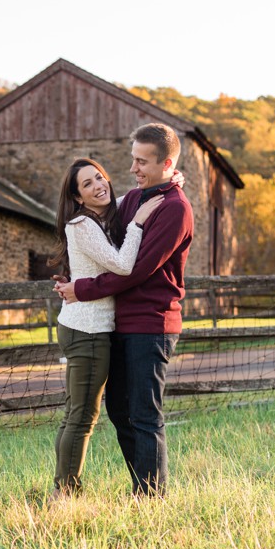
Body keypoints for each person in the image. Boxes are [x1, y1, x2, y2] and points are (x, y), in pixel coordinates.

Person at [55, 123, 193, 497]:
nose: (132, 168)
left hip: (151, 325)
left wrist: (80, 290)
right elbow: (100, 229)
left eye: (141, 161)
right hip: (118, 324)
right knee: (119, 412)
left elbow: (133, 271)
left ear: (166, 163)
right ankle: (140, 488)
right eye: (132, 159)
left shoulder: (175, 209)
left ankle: (151, 499)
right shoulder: (135, 198)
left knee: (145, 416)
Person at [49, 158, 165, 498]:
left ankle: (64, 488)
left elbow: (120, 199)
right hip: (88, 330)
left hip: (89, 327)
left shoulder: (98, 215)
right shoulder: (82, 225)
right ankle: (65, 492)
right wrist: (139, 223)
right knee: (82, 416)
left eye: (100, 177)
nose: (98, 185)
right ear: (77, 197)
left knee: (76, 413)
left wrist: (169, 179)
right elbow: (123, 265)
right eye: (87, 184)